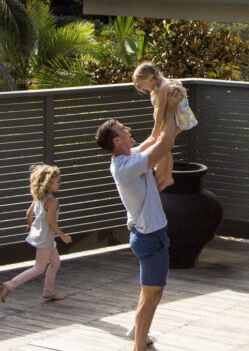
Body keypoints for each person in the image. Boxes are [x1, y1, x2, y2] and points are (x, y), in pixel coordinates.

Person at [95, 87, 182, 351]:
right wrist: (168, 109)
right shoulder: (126, 166)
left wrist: (168, 106)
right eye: (123, 129)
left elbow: (157, 137)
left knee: (155, 292)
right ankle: (138, 346)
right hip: (150, 237)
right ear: (117, 142)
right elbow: (164, 144)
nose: (128, 129)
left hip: (153, 234)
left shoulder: (128, 157)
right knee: (150, 295)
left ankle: (139, 334)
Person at [0, 164, 72, 303]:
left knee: (55, 262)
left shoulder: (39, 197)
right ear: (49, 183)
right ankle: (10, 284)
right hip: (45, 238)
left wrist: (29, 226)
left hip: (43, 237)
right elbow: (51, 222)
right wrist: (63, 236)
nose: (60, 183)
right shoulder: (52, 201)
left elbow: (29, 213)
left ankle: (48, 292)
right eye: (58, 181)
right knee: (39, 268)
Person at [132, 61, 198, 192]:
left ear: (150, 79)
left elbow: (161, 110)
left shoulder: (163, 86)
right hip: (171, 119)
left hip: (178, 119)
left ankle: (159, 178)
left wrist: (155, 131)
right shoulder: (157, 87)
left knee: (162, 145)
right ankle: (167, 177)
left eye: (143, 85)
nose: (143, 88)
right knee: (163, 146)